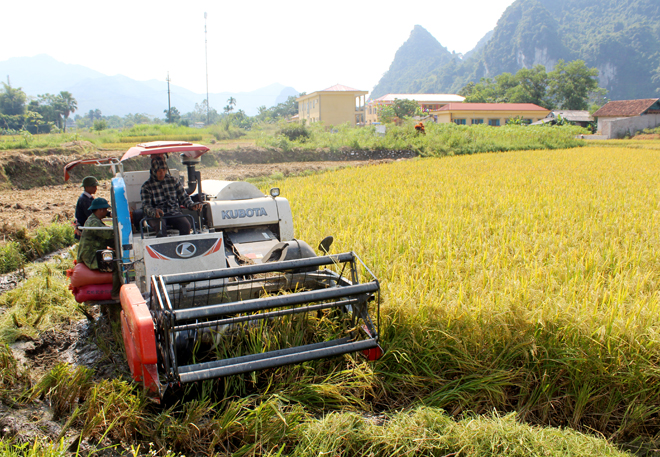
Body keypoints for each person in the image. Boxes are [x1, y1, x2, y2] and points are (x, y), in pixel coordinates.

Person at [140, 154, 203, 237]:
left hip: (174, 213)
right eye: (159, 171)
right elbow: (146, 206)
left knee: (186, 225)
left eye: (164, 170)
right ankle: (163, 248)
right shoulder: (146, 186)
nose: (162, 173)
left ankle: (184, 246)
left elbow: (184, 198)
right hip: (157, 217)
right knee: (161, 228)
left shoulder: (173, 181)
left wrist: (192, 205)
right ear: (153, 171)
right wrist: (154, 212)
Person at [77, 198, 121, 300]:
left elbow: (107, 240)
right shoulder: (94, 222)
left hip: (95, 253)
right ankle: (115, 293)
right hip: (91, 256)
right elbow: (107, 234)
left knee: (116, 256)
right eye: (105, 210)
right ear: (100, 210)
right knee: (116, 263)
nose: (107, 212)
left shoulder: (95, 220)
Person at [74, 176, 98, 240]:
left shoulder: (89, 198)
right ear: (87, 187)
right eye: (93, 187)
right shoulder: (84, 200)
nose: (96, 188)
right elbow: (91, 215)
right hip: (84, 229)